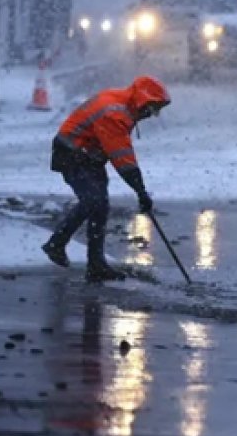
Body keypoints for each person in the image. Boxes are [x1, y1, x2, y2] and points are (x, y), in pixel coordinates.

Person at [40, 76, 171, 282]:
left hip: (88, 156)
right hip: (72, 154)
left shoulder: (123, 103)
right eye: (153, 108)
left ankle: (96, 265)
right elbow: (123, 158)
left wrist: (140, 190)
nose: (152, 115)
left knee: (100, 206)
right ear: (143, 101)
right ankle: (57, 244)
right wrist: (141, 192)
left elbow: (118, 152)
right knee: (94, 201)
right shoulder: (115, 114)